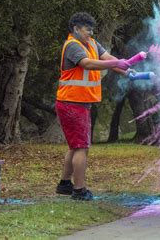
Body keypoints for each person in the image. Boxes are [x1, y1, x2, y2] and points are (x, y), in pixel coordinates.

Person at [55, 12, 135, 200]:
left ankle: (65, 184)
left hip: (80, 103)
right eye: (87, 29)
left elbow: (107, 58)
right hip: (71, 103)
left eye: (92, 29)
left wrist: (126, 70)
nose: (90, 32)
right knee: (82, 147)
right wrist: (117, 63)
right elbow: (88, 64)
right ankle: (79, 190)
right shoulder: (72, 46)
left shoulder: (92, 43)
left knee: (75, 147)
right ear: (75, 28)